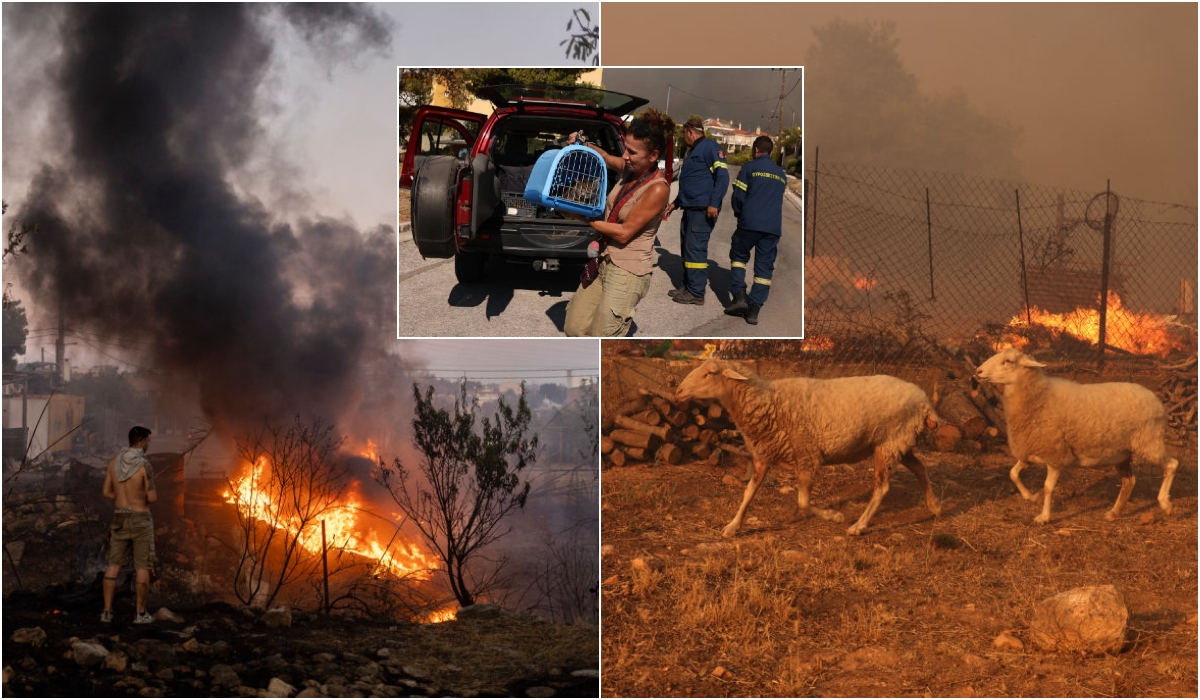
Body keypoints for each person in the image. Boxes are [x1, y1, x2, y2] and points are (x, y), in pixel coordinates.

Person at [563, 110, 674, 337]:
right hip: (604, 260)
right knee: (574, 327)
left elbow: (624, 233)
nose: (625, 156)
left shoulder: (657, 188)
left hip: (628, 270)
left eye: (632, 152)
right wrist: (584, 144)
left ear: (653, 156)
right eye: (625, 148)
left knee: (602, 336)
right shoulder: (629, 169)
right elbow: (604, 156)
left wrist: (583, 217)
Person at [663, 117, 729, 305]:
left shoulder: (710, 148)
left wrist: (714, 203)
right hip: (691, 208)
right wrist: (675, 203)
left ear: (690, 132)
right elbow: (690, 183)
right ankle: (687, 285)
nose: (684, 138)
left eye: (684, 134)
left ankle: (697, 292)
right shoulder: (695, 151)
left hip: (702, 210)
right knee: (687, 249)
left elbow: (722, 177)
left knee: (695, 250)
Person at [724, 135, 789, 325]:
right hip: (772, 228)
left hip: (749, 223)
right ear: (771, 152)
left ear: (755, 150)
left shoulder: (749, 168)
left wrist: (739, 214)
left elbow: (738, 196)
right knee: (764, 269)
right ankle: (754, 310)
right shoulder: (781, 174)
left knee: (738, 257)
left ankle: (739, 297)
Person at [101, 425, 158, 624]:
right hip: (141, 519)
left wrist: (123, 498)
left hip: (119, 518)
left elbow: (107, 493)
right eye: (148, 441)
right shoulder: (145, 466)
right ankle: (140, 614)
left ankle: (107, 612)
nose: (148, 445)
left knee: (113, 565)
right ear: (141, 442)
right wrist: (138, 497)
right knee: (142, 567)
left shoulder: (113, 463)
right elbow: (152, 497)